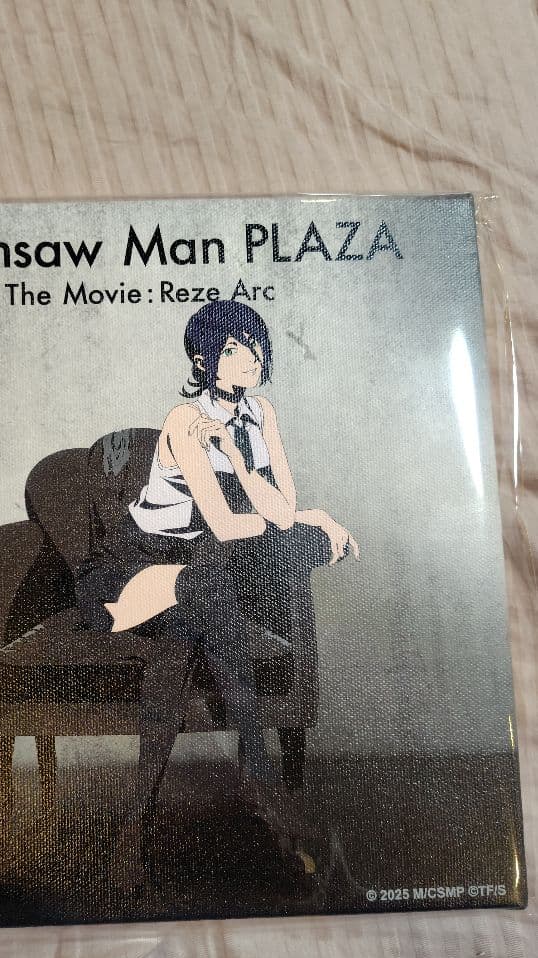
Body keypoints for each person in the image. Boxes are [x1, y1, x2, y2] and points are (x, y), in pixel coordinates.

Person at [74, 300, 359, 872]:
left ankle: (145, 816)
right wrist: (307, 521)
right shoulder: (185, 420)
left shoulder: (261, 413)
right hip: (140, 564)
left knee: (202, 610)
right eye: (231, 350)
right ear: (203, 361)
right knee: (219, 595)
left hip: (203, 567)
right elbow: (234, 524)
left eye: (253, 346)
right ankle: (262, 786)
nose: (248, 359)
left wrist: (241, 459)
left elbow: (281, 509)